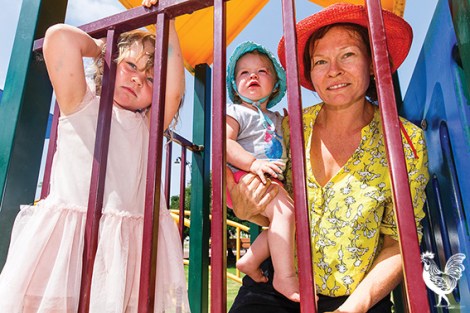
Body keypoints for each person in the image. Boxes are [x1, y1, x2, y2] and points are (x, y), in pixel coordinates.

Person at [228, 3, 429, 313]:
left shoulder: (405, 141)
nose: (334, 70)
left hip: (359, 297)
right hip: (273, 290)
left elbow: (400, 240)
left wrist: (356, 307)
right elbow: (267, 203)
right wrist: (245, 206)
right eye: (321, 61)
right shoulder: (291, 125)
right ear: (311, 73)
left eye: (347, 54)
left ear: (373, 62)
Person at [0, 1, 190, 312]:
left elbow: (174, 90)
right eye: (130, 66)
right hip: (68, 243)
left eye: (151, 77)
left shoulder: (148, 126)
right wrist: (102, 47)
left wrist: (163, 20)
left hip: (125, 250)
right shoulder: (81, 103)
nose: (139, 79)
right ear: (109, 63)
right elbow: (58, 37)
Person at [225, 41, 299, 302]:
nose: (252, 76)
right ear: (235, 86)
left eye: (262, 71)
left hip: (268, 180)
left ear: (276, 84)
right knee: (287, 213)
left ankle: (250, 260)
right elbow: (225, 143)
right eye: (244, 73)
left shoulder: (277, 118)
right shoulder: (236, 112)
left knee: (288, 221)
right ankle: (284, 276)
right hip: (244, 177)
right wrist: (253, 164)